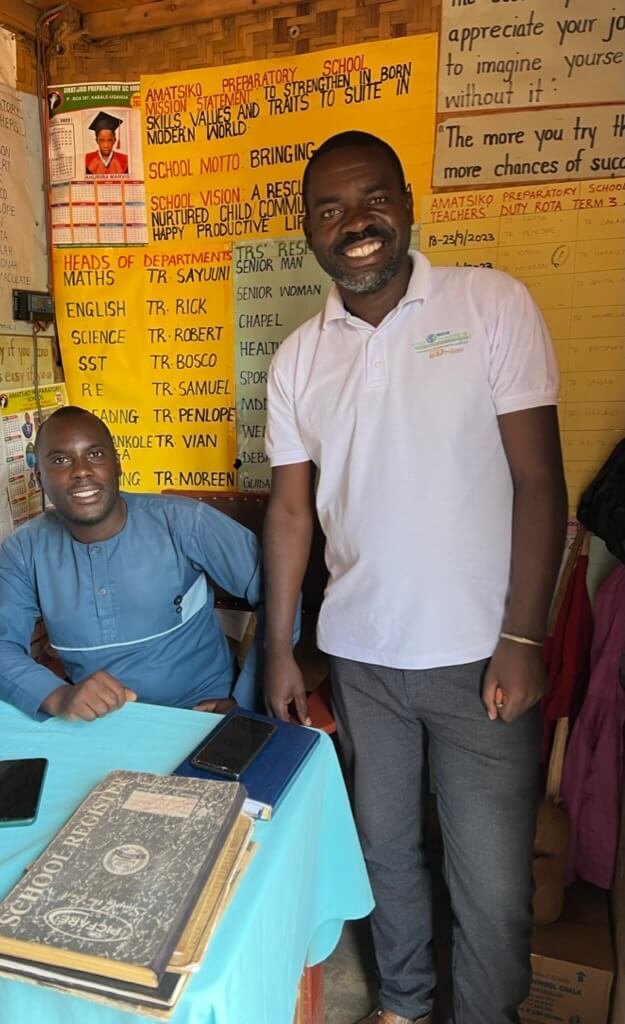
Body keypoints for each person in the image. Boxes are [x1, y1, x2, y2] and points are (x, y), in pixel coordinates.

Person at [263, 131, 567, 1024]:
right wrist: (279, 648)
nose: (354, 223)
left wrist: (522, 638)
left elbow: (538, 481)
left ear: (405, 201)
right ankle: (402, 1002)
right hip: (360, 658)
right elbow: (288, 514)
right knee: (383, 850)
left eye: (370, 200)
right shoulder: (297, 358)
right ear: (309, 230)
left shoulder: (489, 305)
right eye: (329, 209)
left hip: (482, 660)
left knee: (491, 879)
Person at [0, 406, 263, 722]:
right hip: (101, 726)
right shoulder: (24, 550)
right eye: (60, 460)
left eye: (95, 454)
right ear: (38, 477)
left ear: (117, 464)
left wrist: (244, 704)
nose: (81, 470)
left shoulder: (183, 522)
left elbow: (279, 594)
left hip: (201, 713)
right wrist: (59, 696)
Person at [85, 111, 129, 176]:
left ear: (114, 140)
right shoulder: (88, 160)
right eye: (102, 140)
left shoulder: (124, 161)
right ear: (97, 141)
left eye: (109, 140)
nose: (106, 145)